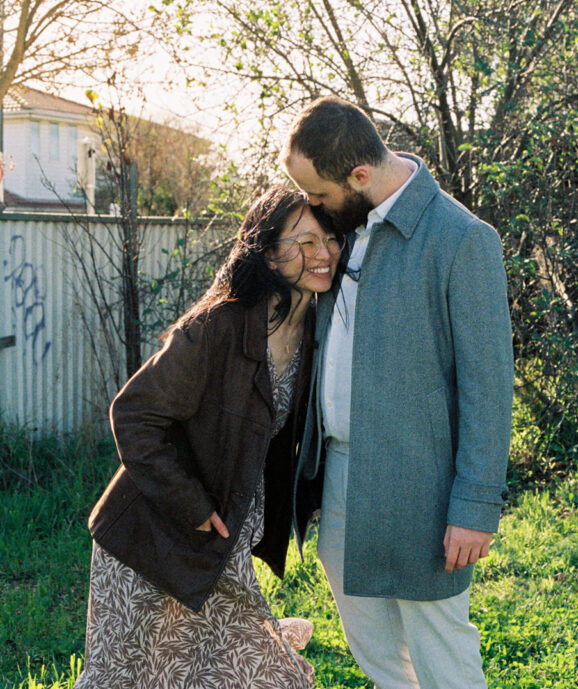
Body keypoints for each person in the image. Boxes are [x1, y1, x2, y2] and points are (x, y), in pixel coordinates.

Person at [282, 97, 514, 688]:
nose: (310, 206)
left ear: (359, 177)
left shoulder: (463, 240)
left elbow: (489, 390)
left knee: (443, 656)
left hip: (422, 488)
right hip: (337, 475)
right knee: (376, 651)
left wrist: (474, 508)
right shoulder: (342, 230)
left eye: (318, 193)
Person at [73, 187, 341, 689]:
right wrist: (191, 506)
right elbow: (133, 415)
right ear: (264, 251)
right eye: (304, 241)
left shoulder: (317, 326)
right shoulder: (218, 325)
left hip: (220, 547)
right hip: (150, 542)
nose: (322, 254)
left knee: (264, 676)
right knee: (129, 680)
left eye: (329, 239)